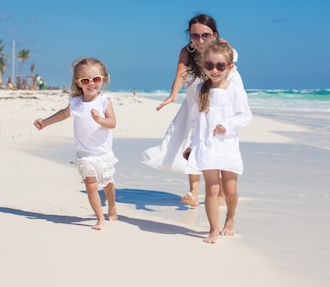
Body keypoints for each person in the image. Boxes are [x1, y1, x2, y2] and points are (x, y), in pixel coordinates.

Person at [141, 13, 244, 207]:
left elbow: (228, 70)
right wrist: (173, 95)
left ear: (214, 34)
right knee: (194, 141)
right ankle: (194, 192)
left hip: (219, 97)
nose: (200, 40)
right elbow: (180, 73)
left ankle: (221, 191)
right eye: (195, 35)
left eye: (205, 35)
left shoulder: (222, 45)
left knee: (217, 142)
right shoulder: (187, 52)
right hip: (196, 97)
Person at [33, 58, 118, 230]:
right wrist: (45, 122)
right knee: (91, 185)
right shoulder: (76, 103)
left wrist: (99, 119)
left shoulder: (104, 100)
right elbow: (62, 114)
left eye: (96, 79)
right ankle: (100, 218)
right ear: (78, 82)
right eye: (86, 80)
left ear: (103, 79)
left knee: (108, 183)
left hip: (104, 153)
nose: (91, 84)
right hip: (85, 154)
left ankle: (112, 205)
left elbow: (112, 123)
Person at [183, 40, 252, 243]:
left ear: (229, 67)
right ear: (204, 66)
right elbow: (195, 121)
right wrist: (191, 145)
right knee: (211, 189)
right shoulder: (200, 90)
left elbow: (245, 115)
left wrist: (228, 125)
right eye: (210, 65)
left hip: (227, 145)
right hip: (206, 146)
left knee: (230, 190)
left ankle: (230, 218)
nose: (215, 70)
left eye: (220, 66)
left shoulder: (234, 91)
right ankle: (213, 229)